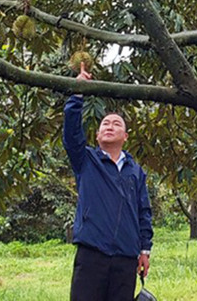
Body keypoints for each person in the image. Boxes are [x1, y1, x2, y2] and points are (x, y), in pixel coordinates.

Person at [63, 62, 153, 301]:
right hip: (92, 254)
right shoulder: (86, 160)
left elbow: (144, 212)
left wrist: (145, 250)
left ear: (125, 136)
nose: (110, 126)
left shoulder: (135, 172)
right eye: (105, 123)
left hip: (126, 258)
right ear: (97, 135)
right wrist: (77, 91)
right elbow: (71, 132)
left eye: (116, 124)